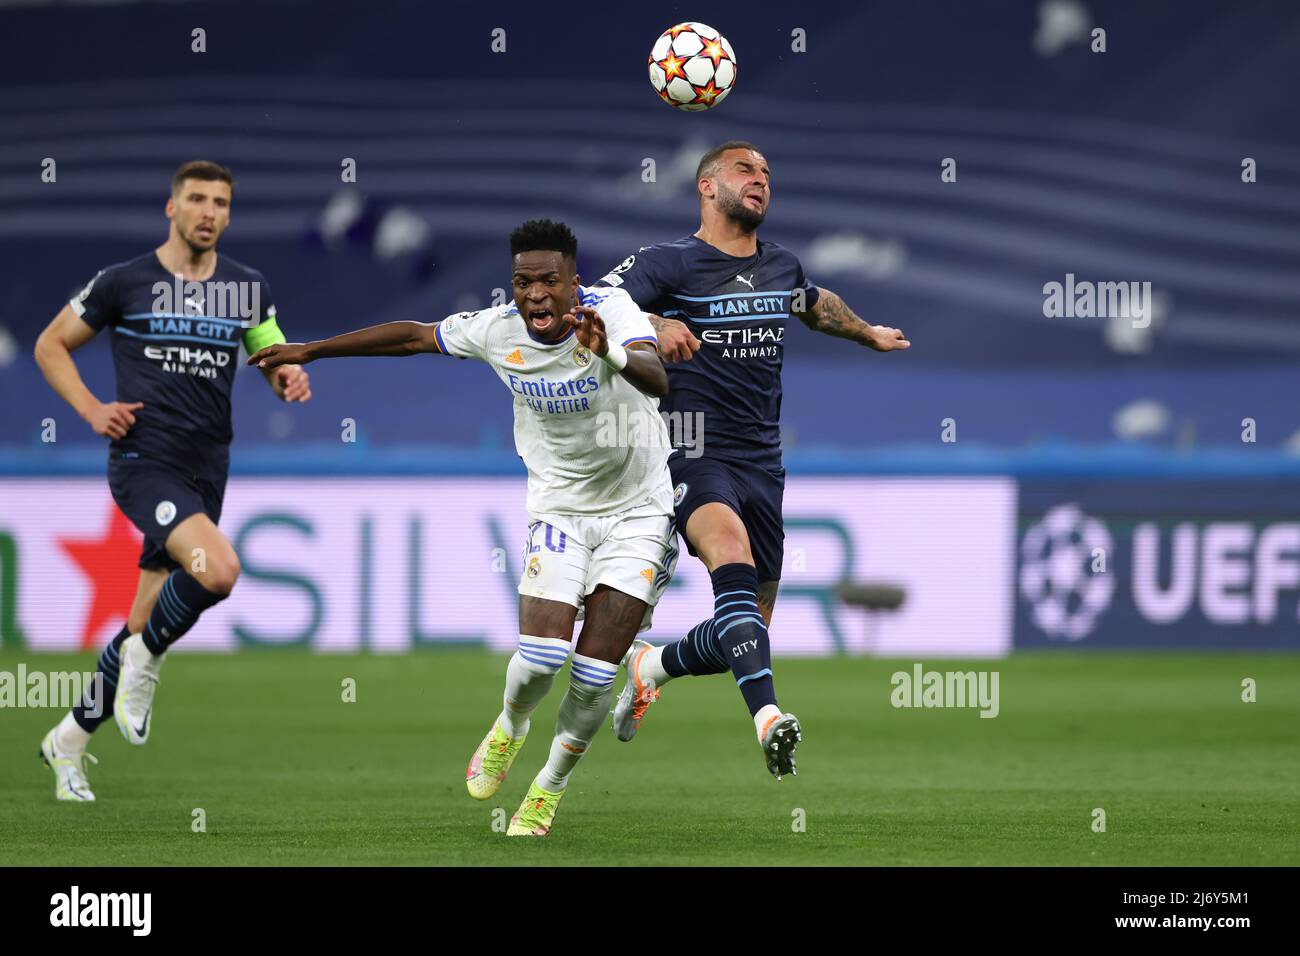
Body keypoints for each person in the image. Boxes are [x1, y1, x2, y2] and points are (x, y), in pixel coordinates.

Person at [248, 219, 677, 837]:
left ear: (573, 283)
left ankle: (548, 787)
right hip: (559, 510)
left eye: (548, 282)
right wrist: (310, 350)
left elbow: (656, 377)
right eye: (522, 282)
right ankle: (511, 725)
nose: (534, 295)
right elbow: (412, 339)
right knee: (540, 659)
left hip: (639, 509)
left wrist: (605, 346)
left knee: (592, 674)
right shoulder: (498, 329)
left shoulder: (613, 309)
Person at [598, 141, 910, 779]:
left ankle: (649, 666)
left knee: (746, 632)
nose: (761, 179)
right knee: (731, 558)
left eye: (767, 172)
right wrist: (653, 324)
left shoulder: (780, 266)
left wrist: (868, 332)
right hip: (692, 448)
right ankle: (769, 719)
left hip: (763, 461)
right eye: (745, 169)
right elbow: (595, 299)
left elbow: (814, 304)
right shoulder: (669, 262)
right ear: (707, 188)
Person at [34, 160, 312, 801]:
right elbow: (51, 344)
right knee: (217, 571)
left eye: (220, 202)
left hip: (207, 467)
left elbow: (269, 353)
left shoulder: (246, 288)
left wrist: (285, 377)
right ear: (172, 208)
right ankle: (147, 664)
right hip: (144, 464)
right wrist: (91, 409)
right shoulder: (124, 282)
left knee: (141, 619)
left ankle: (67, 742)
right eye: (197, 199)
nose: (209, 211)